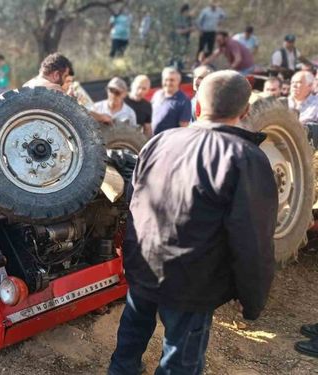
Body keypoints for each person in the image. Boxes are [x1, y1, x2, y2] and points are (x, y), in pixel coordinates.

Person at [108, 70, 277, 375]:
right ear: (246, 110)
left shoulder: (158, 142)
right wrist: (253, 299)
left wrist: (131, 259)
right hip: (192, 282)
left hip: (144, 268)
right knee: (179, 364)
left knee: (128, 347)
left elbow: (133, 206)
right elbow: (252, 238)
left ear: (197, 105)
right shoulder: (245, 157)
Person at [150, 67, 191, 136]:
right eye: (166, 80)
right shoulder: (157, 95)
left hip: (168, 142)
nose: (168, 83)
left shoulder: (183, 101)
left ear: (178, 81)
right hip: (152, 140)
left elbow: (183, 128)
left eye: (172, 80)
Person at [171, 4, 194, 68]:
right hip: (179, 42)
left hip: (185, 42)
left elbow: (192, 28)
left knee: (184, 59)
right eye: (188, 11)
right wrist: (188, 29)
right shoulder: (179, 19)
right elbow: (178, 31)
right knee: (177, 59)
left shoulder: (188, 19)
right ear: (185, 11)